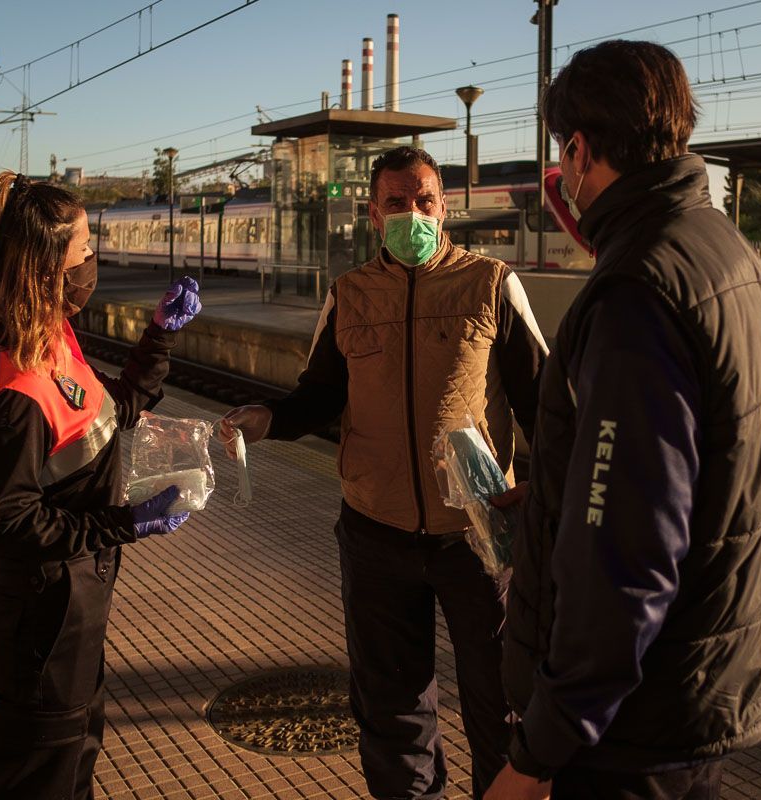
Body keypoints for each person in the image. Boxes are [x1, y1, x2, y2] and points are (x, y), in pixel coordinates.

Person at [485, 40, 761, 800]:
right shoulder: (730, 256)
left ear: (578, 151)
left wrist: (538, 753)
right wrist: (560, 494)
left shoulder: (636, 292)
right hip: (706, 684)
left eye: (562, 154)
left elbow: (623, 562)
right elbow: (694, 474)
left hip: (631, 732)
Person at [220, 146, 547, 799]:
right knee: (391, 712)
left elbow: (548, 406)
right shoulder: (349, 295)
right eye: (396, 203)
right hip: (375, 536)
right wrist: (268, 418)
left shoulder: (491, 283)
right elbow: (319, 394)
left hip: (479, 540)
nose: (411, 214)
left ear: (444, 206)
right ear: (373, 214)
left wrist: (547, 495)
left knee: (503, 709)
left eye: (423, 200)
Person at [0, 170, 201, 799]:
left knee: (72, 759)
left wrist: (161, 333)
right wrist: (126, 522)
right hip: (42, 617)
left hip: (72, 604)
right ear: (46, 269)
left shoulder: (53, 347)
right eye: (84, 249)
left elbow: (118, 411)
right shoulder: (18, 392)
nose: (93, 261)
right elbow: (7, 520)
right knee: (39, 774)